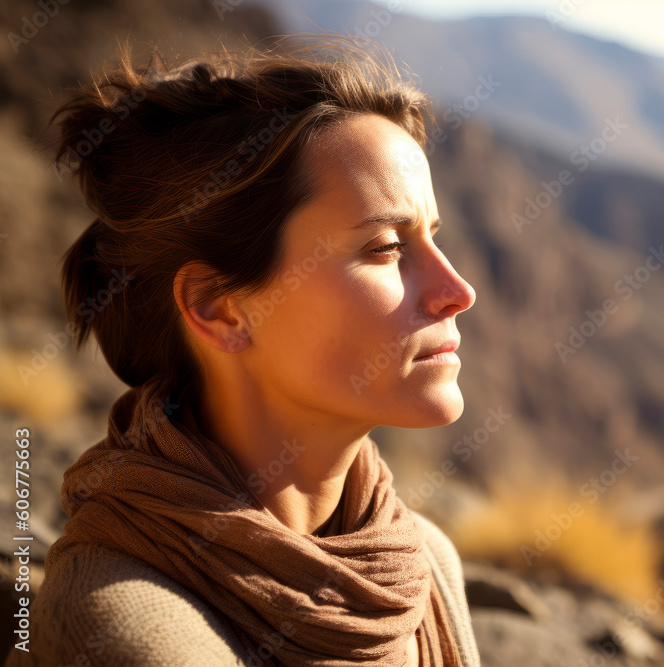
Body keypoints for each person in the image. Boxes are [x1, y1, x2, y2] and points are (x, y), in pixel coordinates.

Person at [5, 36, 481, 667]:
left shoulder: (424, 564)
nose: (458, 292)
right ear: (220, 307)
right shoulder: (131, 624)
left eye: (432, 237)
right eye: (385, 248)